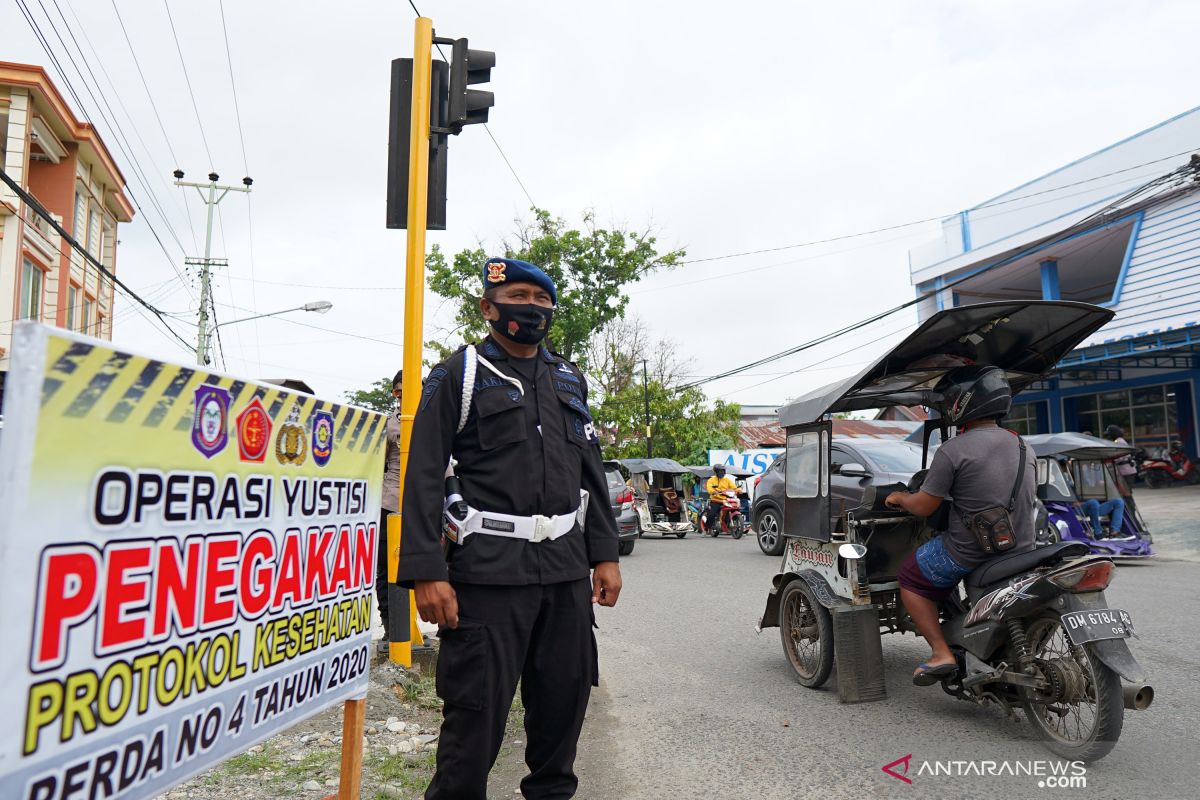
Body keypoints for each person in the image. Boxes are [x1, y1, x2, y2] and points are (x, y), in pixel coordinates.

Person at [398, 257, 622, 800]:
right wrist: (427, 571)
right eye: (519, 296)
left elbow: (588, 471)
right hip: (487, 579)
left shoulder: (569, 378)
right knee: (473, 730)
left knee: (562, 717)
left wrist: (605, 553)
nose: (533, 308)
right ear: (489, 306)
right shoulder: (460, 374)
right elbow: (423, 473)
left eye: (543, 300)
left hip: (566, 576)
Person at [885, 365, 1036, 686]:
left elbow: (925, 505)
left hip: (972, 551)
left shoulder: (954, 449)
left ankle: (941, 652)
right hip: (1022, 548)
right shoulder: (1023, 446)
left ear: (962, 404)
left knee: (911, 575)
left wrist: (900, 497)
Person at [378, 369, 403, 655]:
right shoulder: (388, 426)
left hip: (422, 507)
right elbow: (379, 462)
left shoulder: (431, 420)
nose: (404, 394)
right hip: (390, 505)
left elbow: (444, 464)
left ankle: (412, 628)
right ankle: (389, 628)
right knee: (385, 569)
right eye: (399, 390)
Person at [705, 465, 737, 533]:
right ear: (716, 472)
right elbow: (709, 488)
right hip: (716, 500)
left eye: (723, 471)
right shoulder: (711, 480)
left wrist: (738, 490)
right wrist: (713, 491)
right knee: (712, 514)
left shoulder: (727, 480)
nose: (722, 473)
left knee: (734, 509)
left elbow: (734, 487)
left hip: (726, 500)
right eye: (720, 471)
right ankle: (707, 528)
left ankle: (729, 526)